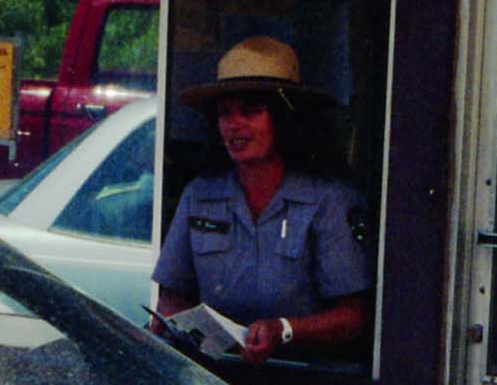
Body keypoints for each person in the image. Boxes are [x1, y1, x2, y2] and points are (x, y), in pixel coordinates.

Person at [153, 36, 372, 364]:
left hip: (305, 377)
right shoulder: (199, 195)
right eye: (225, 113)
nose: (234, 125)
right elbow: (171, 297)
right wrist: (170, 324)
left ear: (283, 119)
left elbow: (353, 317)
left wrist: (284, 330)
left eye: (251, 111)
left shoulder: (330, 200)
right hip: (217, 373)